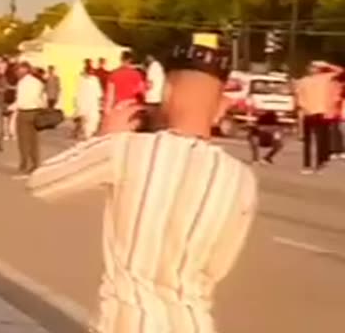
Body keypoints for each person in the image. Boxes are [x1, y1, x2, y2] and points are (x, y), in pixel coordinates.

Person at [27, 42, 257, 333]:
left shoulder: (125, 150)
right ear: (220, 103)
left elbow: (42, 183)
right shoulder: (240, 178)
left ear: (167, 94)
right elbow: (218, 266)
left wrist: (103, 136)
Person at [295, 60, 343, 174]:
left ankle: (320, 163)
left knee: (321, 140)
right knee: (307, 141)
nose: (314, 70)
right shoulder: (303, 81)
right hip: (308, 112)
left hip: (321, 112)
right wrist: (303, 108)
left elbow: (341, 71)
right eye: (312, 67)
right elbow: (299, 97)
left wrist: (327, 64)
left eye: (316, 68)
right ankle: (306, 165)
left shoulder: (326, 78)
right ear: (308, 69)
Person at [12, 63, 46, 175]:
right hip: (36, 112)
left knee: (23, 140)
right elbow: (42, 98)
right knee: (33, 140)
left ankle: (24, 163)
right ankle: (35, 163)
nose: (17, 73)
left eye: (17, 71)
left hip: (24, 112)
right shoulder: (38, 82)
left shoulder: (22, 83)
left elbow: (20, 100)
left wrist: (11, 108)